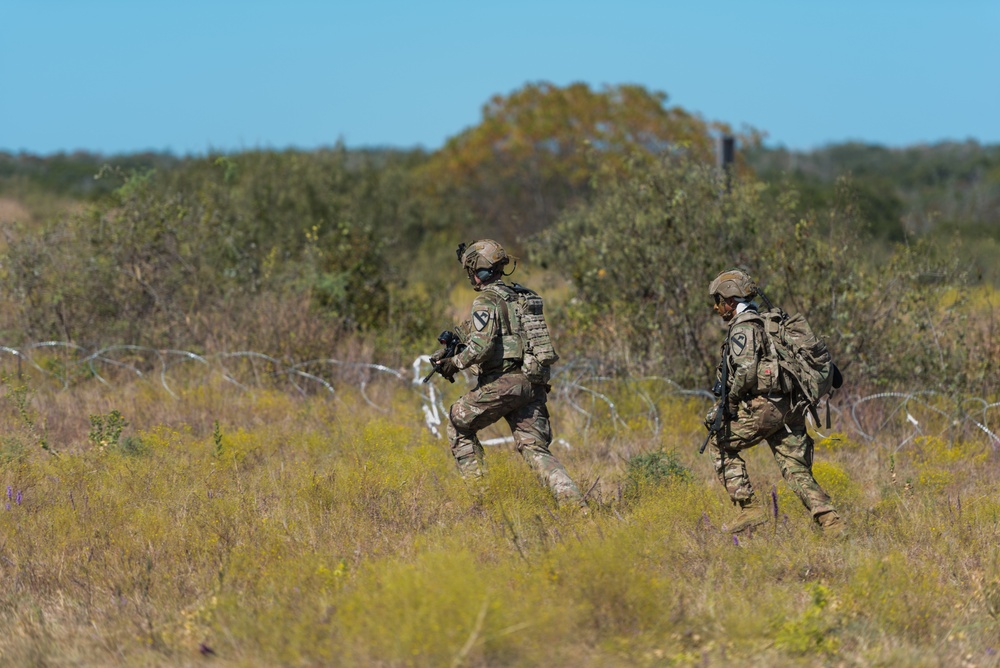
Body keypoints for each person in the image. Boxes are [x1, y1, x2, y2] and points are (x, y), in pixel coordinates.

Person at [432, 240, 586, 509]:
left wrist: (452, 363)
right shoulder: (522, 296)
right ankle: (575, 505)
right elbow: (498, 331)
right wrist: (454, 340)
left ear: (476, 270)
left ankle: (481, 500)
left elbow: (480, 348)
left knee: (458, 423)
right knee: (534, 448)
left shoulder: (486, 300)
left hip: (503, 384)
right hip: (532, 383)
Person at [705, 268, 845, 536]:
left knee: (718, 441)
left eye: (719, 301)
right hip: (791, 407)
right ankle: (832, 523)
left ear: (731, 301)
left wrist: (731, 403)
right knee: (796, 470)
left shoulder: (743, 328)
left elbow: (746, 370)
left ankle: (749, 508)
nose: (716, 307)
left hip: (764, 408)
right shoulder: (771, 321)